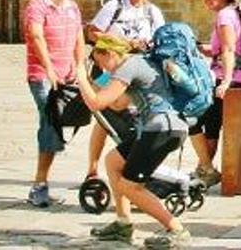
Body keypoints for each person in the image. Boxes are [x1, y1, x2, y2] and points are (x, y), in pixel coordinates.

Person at [75, 35, 192, 248]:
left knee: (130, 186)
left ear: (110, 54)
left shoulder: (128, 66)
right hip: (165, 126)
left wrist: (82, 78)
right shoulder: (140, 63)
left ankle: (177, 230)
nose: (105, 70)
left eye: (102, 64)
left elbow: (96, 103)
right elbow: (118, 104)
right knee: (113, 162)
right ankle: (123, 224)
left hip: (160, 129)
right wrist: (92, 85)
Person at [85, 0, 166, 183]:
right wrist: (123, 43)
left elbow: (162, 40)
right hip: (108, 68)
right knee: (103, 116)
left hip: (137, 70)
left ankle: (133, 163)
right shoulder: (115, 6)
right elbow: (93, 32)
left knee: (131, 116)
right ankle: (93, 168)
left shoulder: (153, 12)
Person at [23, 0, 84, 207]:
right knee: (50, 119)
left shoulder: (72, 8)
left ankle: (42, 179)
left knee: (56, 122)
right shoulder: (37, 6)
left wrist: (79, 67)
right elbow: (37, 37)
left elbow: (79, 37)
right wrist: (49, 69)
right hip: (42, 75)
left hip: (67, 75)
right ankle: (39, 185)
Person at [189, 0, 241, 187]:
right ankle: (204, 168)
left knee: (198, 120)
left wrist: (225, 81)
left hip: (227, 78)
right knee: (212, 124)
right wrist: (202, 48)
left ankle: (206, 168)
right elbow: (222, 49)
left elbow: (228, 49)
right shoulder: (232, 14)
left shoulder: (224, 16)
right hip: (237, 76)